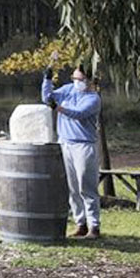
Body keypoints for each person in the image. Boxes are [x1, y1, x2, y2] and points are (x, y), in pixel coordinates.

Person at [42, 63, 102, 239]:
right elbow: (47, 97)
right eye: (74, 78)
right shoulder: (68, 89)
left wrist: (57, 108)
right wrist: (47, 78)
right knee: (73, 188)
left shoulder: (93, 99)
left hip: (83, 145)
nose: (76, 82)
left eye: (80, 79)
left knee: (87, 186)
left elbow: (78, 113)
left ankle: (94, 226)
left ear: (89, 80)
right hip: (65, 143)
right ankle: (80, 223)